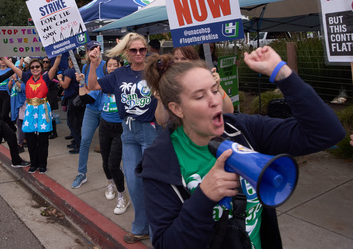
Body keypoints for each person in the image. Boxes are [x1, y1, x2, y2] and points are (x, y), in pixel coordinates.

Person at [137, 46, 345, 249]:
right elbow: (167, 243)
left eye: (215, 90)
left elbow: (326, 132)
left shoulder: (242, 129)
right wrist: (204, 197)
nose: (214, 101)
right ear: (177, 108)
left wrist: (282, 73)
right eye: (200, 96)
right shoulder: (159, 162)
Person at [87, 33, 160, 244]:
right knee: (134, 182)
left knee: (152, 183)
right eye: (134, 50)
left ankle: (157, 233)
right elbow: (93, 86)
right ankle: (140, 227)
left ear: (146, 51)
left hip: (151, 130)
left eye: (142, 50)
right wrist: (93, 64)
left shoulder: (155, 70)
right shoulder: (119, 74)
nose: (138, 54)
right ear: (127, 52)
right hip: (127, 131)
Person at [78, 56, 130, 214]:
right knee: (105, 162)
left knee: (114, 164)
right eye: (110, 65)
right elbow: (86, 98)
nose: (113, 68)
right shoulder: (103, 84)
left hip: (121, 129)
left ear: (121, 66)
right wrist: (81, 83)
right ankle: (110, 184)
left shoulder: (125, 84)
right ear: (106, 68)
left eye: (116, 65)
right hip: (105, 127)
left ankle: (122, 196)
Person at [7, 56, 62, 174]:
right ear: (30, 69)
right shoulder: (26, 77)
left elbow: (55, 66)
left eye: (37, 66)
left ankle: (42, 164)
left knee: (43, 140)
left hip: (43, 110)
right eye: (32, 67)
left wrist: (58, 56)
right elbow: (13, 67)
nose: (35, 69)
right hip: (30, 111)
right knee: (31, 139)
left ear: (41, 68)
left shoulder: (46, 77)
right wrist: (4, 58)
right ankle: (34, 163)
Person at [71, 41, 107, 188]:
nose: (93, 51)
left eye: (95, 48)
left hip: (106, 110)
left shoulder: (106, 66)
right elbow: (86, 89)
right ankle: (81, 173)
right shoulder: (86, 67)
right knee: (85, 140)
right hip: (91, 110)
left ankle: (113, 171)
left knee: (108, 144)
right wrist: (80, 83)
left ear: (100, 49)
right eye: (90, 49)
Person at [58, 54, 85, 154]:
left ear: (71, 61)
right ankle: (76, 141)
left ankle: (78, 144)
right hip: (78, 98)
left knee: (72, 122)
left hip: (72, 99)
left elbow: (65, 85)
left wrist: (60, 78)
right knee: (76, 122)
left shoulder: (70, 71)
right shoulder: (79, 70)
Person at [0, 57, 14, 131]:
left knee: (4, 115)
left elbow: (11, 85)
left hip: (7, 93)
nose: (2, 62)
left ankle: (12, 128)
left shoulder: (10, 71)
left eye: (4, 60)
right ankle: (3, 132)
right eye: (1, 60)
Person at [43, 56, 60, 139]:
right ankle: (48, 130)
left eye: (47, 62)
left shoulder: (52, 71)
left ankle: (54, 132)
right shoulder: (41, 71)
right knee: (45, 113)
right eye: (43, 61)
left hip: (51, 93)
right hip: (44, 94)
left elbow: (53, 80)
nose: (45, 63)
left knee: (50, 113)